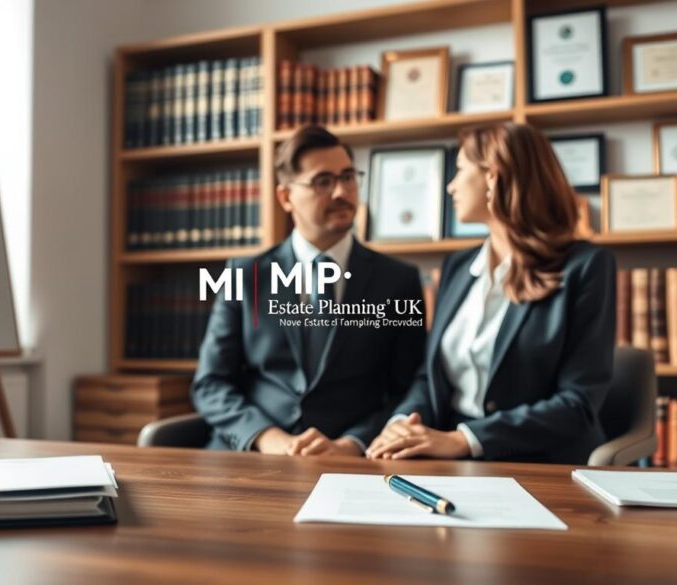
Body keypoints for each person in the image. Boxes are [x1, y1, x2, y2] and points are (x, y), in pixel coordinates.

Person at [366, 122, 616, 464]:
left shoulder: (586, 266)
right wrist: (402, 424)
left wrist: (465, 440)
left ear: (493, 177)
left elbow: (578, 404)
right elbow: (430, 374)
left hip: (540, 463)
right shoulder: (456, 266)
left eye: (460, 170)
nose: (451, 186)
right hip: (446, 455)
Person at [191, 125, 426, 456]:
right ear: (286, 197)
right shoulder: (245, 275)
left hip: (352, 461)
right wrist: (268, 438)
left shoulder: (398, 280)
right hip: (252, 456)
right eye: (323, 182)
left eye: (348, 177)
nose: (341, 192)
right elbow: (210, 384)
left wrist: (352, 444)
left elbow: (410, 388)